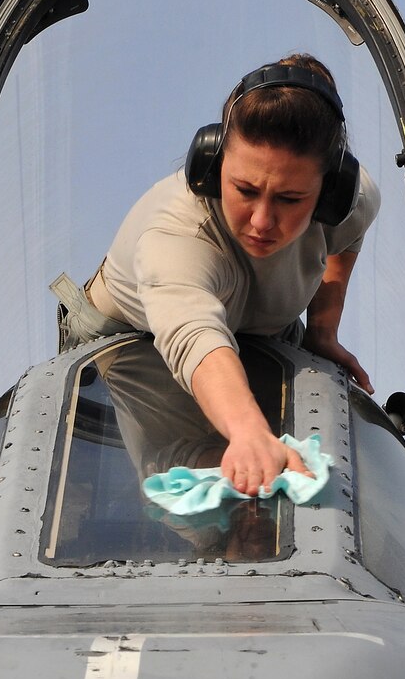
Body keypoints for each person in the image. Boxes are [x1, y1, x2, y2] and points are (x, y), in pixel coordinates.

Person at [84, 55, 380, 497]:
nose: (262, 221)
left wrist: (323, 330)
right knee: (176, 482)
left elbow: (348, 238)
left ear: (329, 193)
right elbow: (193, 334)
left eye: (290, 198)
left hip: (262, 338)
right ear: (212, 162)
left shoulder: (352, 201)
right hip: (134, 351)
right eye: (244, 190)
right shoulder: (176, 234)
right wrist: (248, 432)